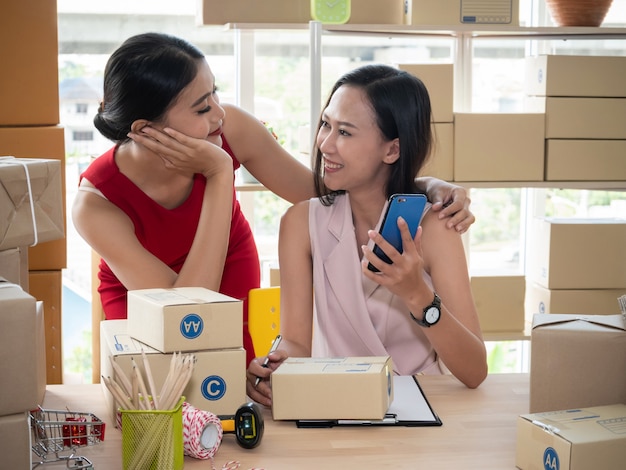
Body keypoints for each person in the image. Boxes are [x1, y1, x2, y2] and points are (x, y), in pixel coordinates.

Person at [72, 33, 476, 367]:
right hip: (147, 294)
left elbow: (331, 193)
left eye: (215, 93)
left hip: (226, 255)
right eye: (201, 107)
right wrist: (217, 172)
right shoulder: (95, 204)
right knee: (158, 389)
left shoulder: (233, 129)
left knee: (228, 378)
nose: (219, 114)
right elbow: (185, 311)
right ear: (145, 129)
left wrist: (422, 184)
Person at [247, 64, 487, 404]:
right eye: (325, 125)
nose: (325, 145)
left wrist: (417, 294)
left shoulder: (435, 228)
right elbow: (296, 341)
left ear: (392, 150)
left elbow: (475, 371)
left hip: (421, 411)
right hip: (337, 406)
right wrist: (278, 362)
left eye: (344, 133)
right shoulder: (300, 223)